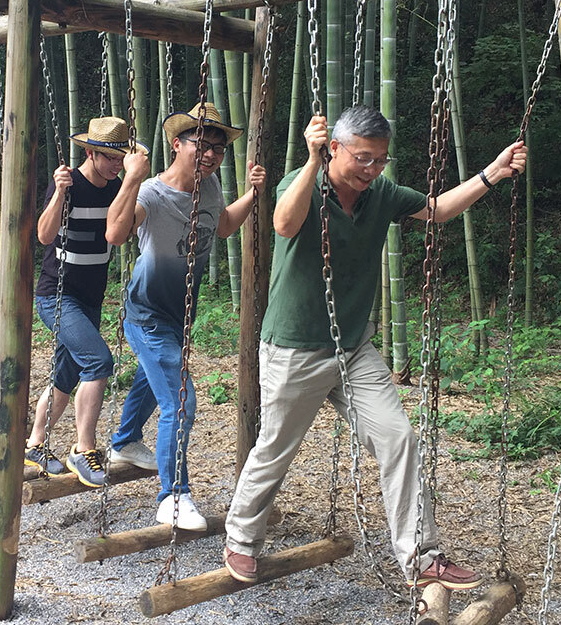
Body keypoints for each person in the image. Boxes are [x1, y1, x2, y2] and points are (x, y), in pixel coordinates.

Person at [222, 106, 527, 588]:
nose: (371, 169)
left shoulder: (381, 193)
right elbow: (283, 224)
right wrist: (311, 160)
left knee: (398, 438)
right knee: (276, 448)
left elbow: (438, 209)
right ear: (335, 148)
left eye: (380, 160)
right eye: (363, 158)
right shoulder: (301, 184)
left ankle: (422, 556)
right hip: (296, 348)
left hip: (353, 347)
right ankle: (241, 539)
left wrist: (493, 173)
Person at [105, 102, 266, 530]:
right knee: (180, 401)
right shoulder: (151, 194)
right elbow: (115, 234)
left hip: (180, 316)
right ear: (177, 144)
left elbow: (224, 225)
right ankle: (173, 496)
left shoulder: (209, 187)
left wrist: (253, 194)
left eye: (218, 148)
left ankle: (124, 441)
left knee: (152, 380)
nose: (211, 154)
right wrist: (131, 178)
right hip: (147, 315)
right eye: (202, 144)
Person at [24, 117, 147, 488]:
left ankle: (35, 443)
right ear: (91, 153)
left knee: (65, 374)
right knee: (98, 361)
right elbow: (44, 234)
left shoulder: (117, 188)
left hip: (90, 297)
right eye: (110, 158)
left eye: (121, 158)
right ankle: (83, 448)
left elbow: (123, 233)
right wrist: (59, 194)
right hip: (56, 295)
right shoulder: (69, 183)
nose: (116, 165)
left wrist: (133, 179)